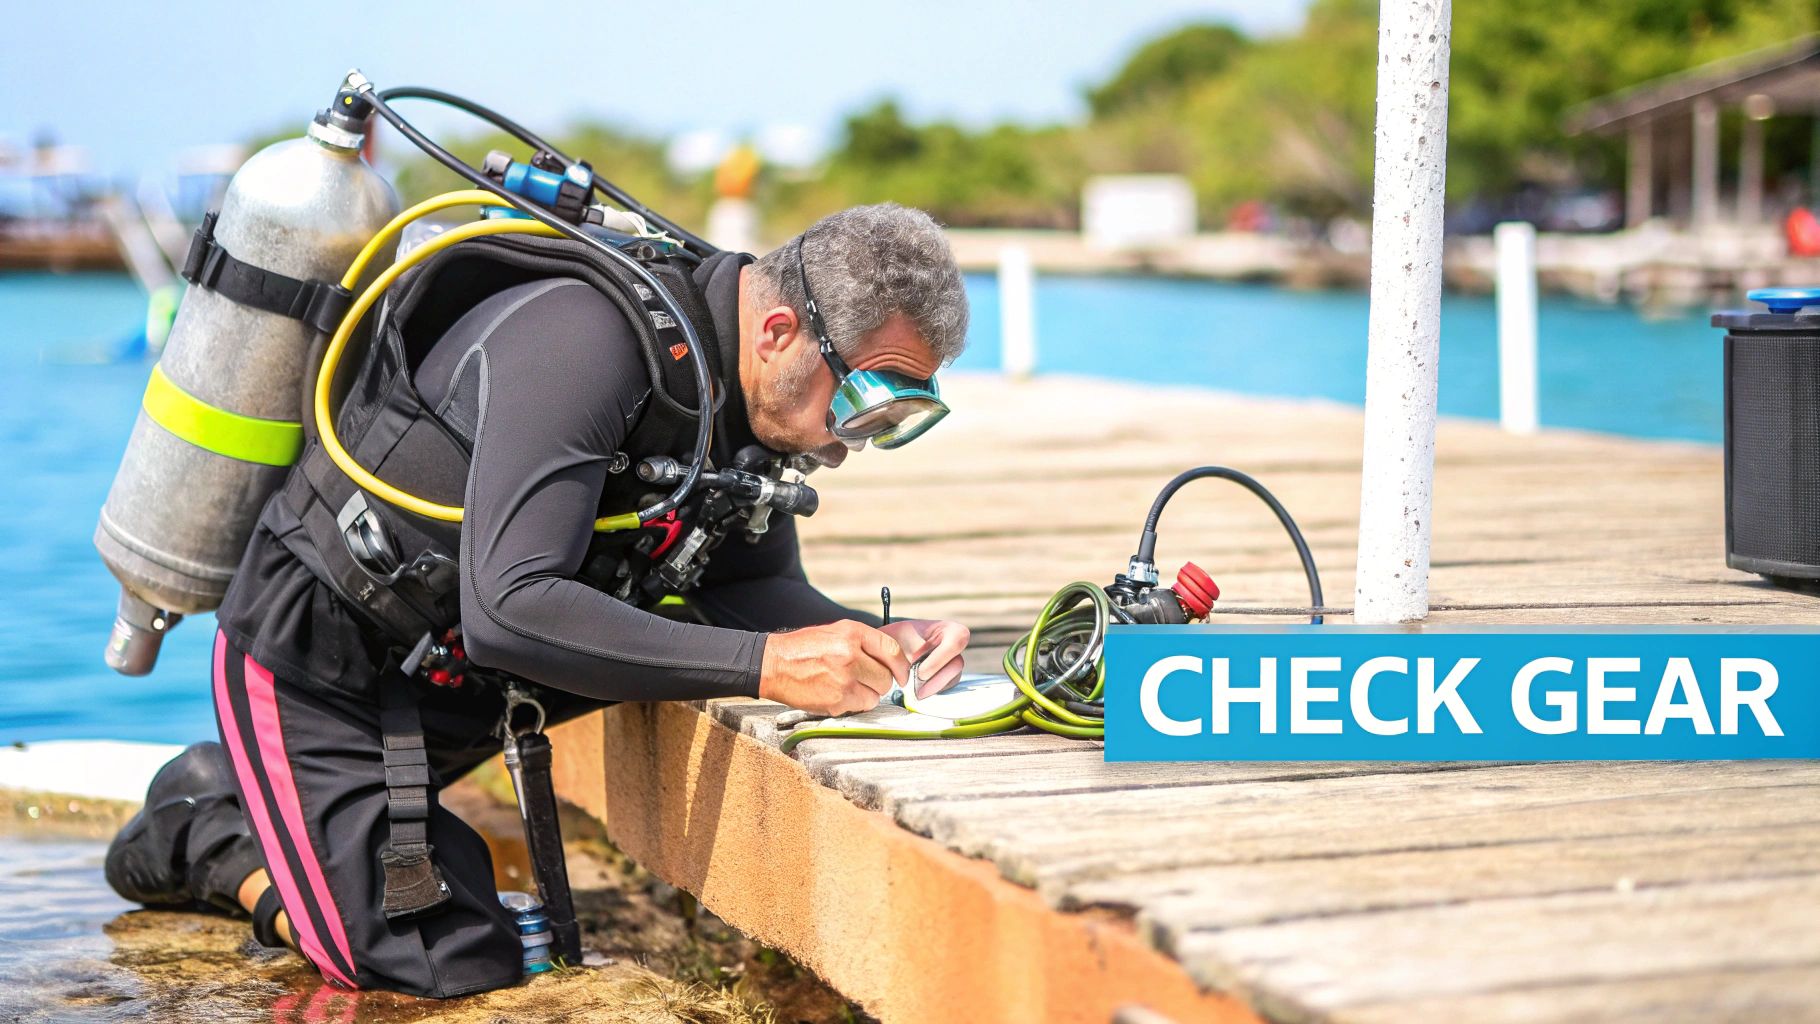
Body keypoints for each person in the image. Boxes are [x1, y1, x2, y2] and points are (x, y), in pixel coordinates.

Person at [104, 202, 973, 997]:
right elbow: (511, 609)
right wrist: (771, 666)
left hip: (462, 676)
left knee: (462, 935)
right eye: (862, 401)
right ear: (779, 331)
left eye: (894, 418)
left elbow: (751, 585)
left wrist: (877, 640)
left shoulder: (741, 393)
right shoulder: (585, 341)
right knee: (442, 963)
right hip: (326, 669)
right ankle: (210, 835)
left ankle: (257, 805)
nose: (852, 444)